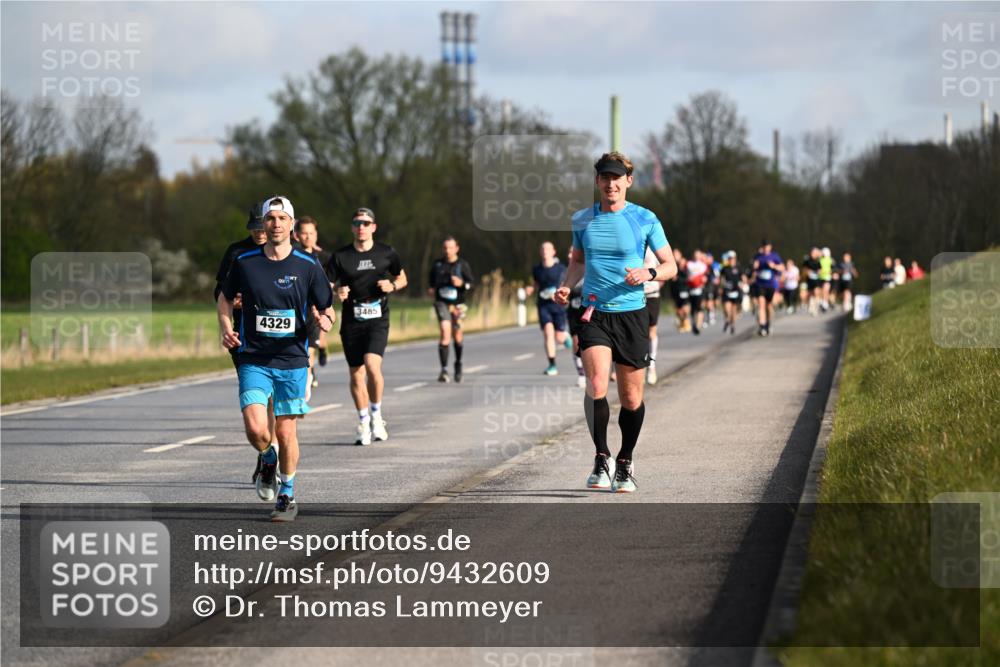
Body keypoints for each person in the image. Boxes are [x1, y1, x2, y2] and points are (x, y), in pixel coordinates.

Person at [554, 151, 677, 494]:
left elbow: (671, 266)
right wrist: (566, 285)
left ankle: (625, 460)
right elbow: (578, 262)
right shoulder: (582, 220)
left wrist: (649, 272)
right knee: (596, 384)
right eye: (604, 178)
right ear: (597, 181)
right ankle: (601, 456)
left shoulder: (644, 219)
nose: (611, 184)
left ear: (628, 181)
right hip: (594, 312)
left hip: (632, 313)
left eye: (616, 178)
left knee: (631, 396)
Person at [218, 195, 335, 521]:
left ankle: (287, 493)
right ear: (264, 224)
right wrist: (226, 327)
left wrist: (326, 320)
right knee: (257, 429)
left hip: (292, 360)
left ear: (292, 225)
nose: (276, 224)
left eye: (283, 218)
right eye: (271, 218)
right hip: (254, 357)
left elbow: (327, 306)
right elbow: (225, 300)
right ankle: (266, 458)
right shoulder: (245, 261)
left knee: (286, 432)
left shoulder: (307, 264)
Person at [326, 207, 408, 446]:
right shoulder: (341, 256)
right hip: (352, 318)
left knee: (372, 365)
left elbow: (402, 277)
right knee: (356, 374)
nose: (361, 227)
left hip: (378, 316)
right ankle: (363, 421)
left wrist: (392, 286)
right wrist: (336, 291)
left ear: (373, 227)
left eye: (365, 222)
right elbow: (325, 284)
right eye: (357, 223)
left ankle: (377, 416)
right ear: (352, 227)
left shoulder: (386, 253)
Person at [213, 203, 277, 453]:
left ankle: (274, 445)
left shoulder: (282, 252)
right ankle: (265, 449)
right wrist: (233, 302)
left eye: (263, 228)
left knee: (273, 397)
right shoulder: (236, 252)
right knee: (255, 394)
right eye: (255, 229)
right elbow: (219, 291)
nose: (259, 233)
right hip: (244, 333)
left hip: (276, 336)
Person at [293, 215, 332, 396]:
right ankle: (307, 376)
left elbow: (332, 283)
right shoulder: (291, 256)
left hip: (320, 308)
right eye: (304, 233)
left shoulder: (323, 258)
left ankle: (304, 390)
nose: (308, 237)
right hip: (298, 311)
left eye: (311, 233)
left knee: (312, 347)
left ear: (316, 234)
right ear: (296, 235)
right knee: (300, 353)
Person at [428, 236, 474, 383]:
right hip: (441, 303)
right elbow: (430, 283)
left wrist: (461, 283)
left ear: (456, 248)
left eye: (451, 247)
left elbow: (471, 284)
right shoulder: (437, 264)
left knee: (458, 335)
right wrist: (431, 289)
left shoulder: (462, 265)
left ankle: (458, 364)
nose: (448, 250)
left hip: (459, 305)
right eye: (445, 248)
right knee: (445, 331)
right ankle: (444, 370)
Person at [526, 241, 571, 376]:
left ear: (553, 252)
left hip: (557, 305)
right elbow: (536, 283)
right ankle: (552, 365)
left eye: (548, 249)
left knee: (559, 337)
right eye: (543, 249)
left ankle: (566, 338)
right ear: (540, 252)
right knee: (548, 333)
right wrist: (531, 289)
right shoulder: (537, 269)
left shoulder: (561, 268)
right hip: (543, 305)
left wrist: (561, 293)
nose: (545, 251)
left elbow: (565, 284)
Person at [752, 239, 784, 336]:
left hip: (770, 284)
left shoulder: (774, 256)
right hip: (760, 284)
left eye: (767, 246)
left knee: (769, 306)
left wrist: (774, 266)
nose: (766, 248)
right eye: (764, 246)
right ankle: (762, 326)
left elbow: (782, 267)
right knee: (761, 305)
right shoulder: (758, 256)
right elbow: (753, 269)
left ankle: (768, 324)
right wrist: (754, 266)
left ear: (770, 247)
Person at [642, 246, 663, 384]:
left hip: (652, 295)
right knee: (638, 334)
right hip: (635, 297)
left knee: (651, 333)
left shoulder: (655, 247)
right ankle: (640, 367)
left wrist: (656, 285)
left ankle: (652, 366)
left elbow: (666, 268)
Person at [685, 250, 709, 335]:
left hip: (700, 289)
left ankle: (698, 326)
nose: (696, 256)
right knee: (692, 309)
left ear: (700, 256)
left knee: (700, 308)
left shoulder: (703, 265)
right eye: (695, 255)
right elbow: (684, 274)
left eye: (698, 255)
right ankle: (693, 323)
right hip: (691, 290)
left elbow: (706, 276)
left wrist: (704, 279)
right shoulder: (688, 264)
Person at [720, 250, 743, 334]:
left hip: (736, 291)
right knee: (727, 309)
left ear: (735, 259)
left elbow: (743, 277)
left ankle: (732, 325)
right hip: (727, 291)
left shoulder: (739, 268)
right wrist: (721, 287)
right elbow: (721, 279)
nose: (731, 260)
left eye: (732, 258)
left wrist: (742, 283)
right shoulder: (724, 268)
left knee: (733, 310)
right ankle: (727, 320)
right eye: (729, 258)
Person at [669, 248, 691, 333]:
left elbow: (688, 277)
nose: (675, 256)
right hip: (676, 290)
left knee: (685, 308)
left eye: (676, 254)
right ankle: (682, 323)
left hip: (684, 289)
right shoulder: (672, 264)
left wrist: (678, 278)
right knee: (678, 311)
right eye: (673, 254)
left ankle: (686, 322)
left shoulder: (684, 264)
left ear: (680, 255)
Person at [803, 247, 823, 315]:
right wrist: (808, 272)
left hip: (816, 279)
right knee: (811, 293)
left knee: (816, 291)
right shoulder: (807, 261)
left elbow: (821, 269)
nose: (813, 254)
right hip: (809, 279)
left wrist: (818, 272)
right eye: (812, 253)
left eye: (815, 253)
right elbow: (804, 269)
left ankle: (815, 307)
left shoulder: (818, 261)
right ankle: (811, 306)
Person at [819, 247, 834, 312]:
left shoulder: (830, 260)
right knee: (822, 291)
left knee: (826, 290)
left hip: (827, 277)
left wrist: (831, 272)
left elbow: (833, 268)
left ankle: (825, 303)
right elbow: (818, 267)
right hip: (820, 277)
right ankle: (823, 302)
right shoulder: (820, 259)